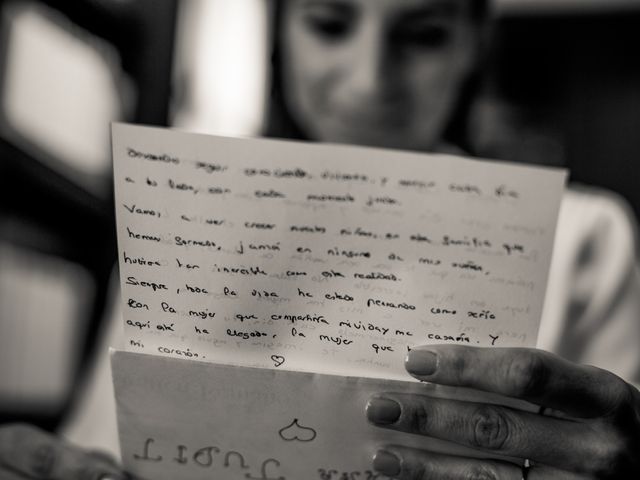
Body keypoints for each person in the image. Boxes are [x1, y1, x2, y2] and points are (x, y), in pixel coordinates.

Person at [1, 1, 639, 479]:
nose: (369, 82)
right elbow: (101, 445)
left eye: (424, 36)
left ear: (475, 43)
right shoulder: (180, 220)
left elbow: (608, 443)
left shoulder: (585, 234)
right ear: (281, 31)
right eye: (330, 24)